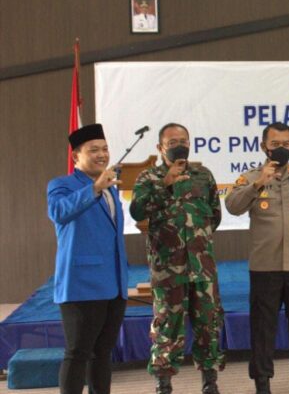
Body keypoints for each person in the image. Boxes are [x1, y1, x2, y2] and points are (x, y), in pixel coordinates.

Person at [225, 122, 289, 394]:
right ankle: (262, 384)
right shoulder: (250, 177)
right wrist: (259, 183)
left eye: (286, 144)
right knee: (262, 329)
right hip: (265, 267)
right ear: (264, 147)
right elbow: (233, 206)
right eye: (275, 144)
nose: (281, 148)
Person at [130, 123, 224, 394]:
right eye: (172, 142)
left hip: (202, 268)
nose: (179, 146)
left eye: (183, 141)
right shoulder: (149, 178)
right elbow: (137, 212)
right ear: (160, 148)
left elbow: (214, 216)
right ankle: (163, 384)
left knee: (208, 326)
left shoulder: (203, 176)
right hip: (168, 271)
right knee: (167, 328)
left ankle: (210, 382)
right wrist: (165, 185)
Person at [47, 123, 129, 394]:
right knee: (78, 353)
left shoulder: (111, 189)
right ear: (76, 156)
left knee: (103, 353)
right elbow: (59, 213)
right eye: (94, 150)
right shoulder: (62, 185)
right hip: (81, 284)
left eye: (105, 149)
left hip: (114, 284)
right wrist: (94, 188)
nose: (102, 155)